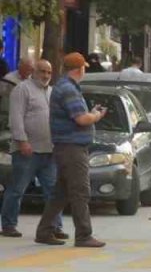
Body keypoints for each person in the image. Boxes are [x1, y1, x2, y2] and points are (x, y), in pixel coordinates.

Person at [35, 53, 107, 248]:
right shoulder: (68, 89)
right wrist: (96, 115)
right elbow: (81, 119)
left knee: (62, 192)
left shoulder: (65, 87)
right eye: (84, 67)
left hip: (66, 146)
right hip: (72, 147)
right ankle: (84, 235)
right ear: (79, 69)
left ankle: (45, 230)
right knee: (80, 191)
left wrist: (90, 114)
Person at [1, 60, 63, 239]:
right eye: (42, 71)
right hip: (27, 150)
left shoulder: (51, 92)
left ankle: (55, 226)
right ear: (33, 72)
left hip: (48, 150)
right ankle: (8, 225)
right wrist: (22, 141)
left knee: (52, 191)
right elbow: (16, 118)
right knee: (17, 189)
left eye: (49, 72)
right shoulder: (22, 89)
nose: (45, 75)